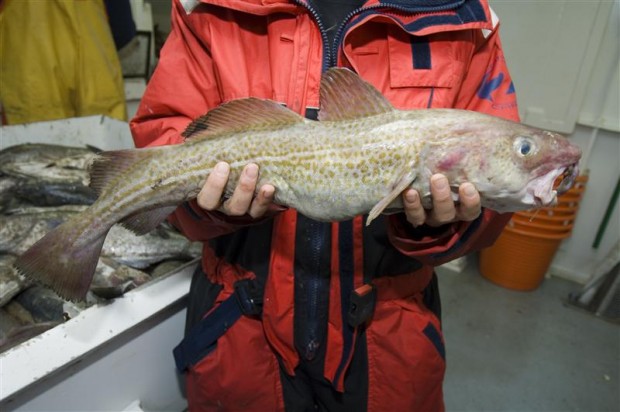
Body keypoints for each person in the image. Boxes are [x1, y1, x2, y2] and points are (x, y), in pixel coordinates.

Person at [130, 0, 519, 410]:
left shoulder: (468, 20)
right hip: (240, 337)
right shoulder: (205, 6)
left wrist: (439, 224)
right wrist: (206, 205)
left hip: (389, 345)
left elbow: (497, 199)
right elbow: (165, 141)